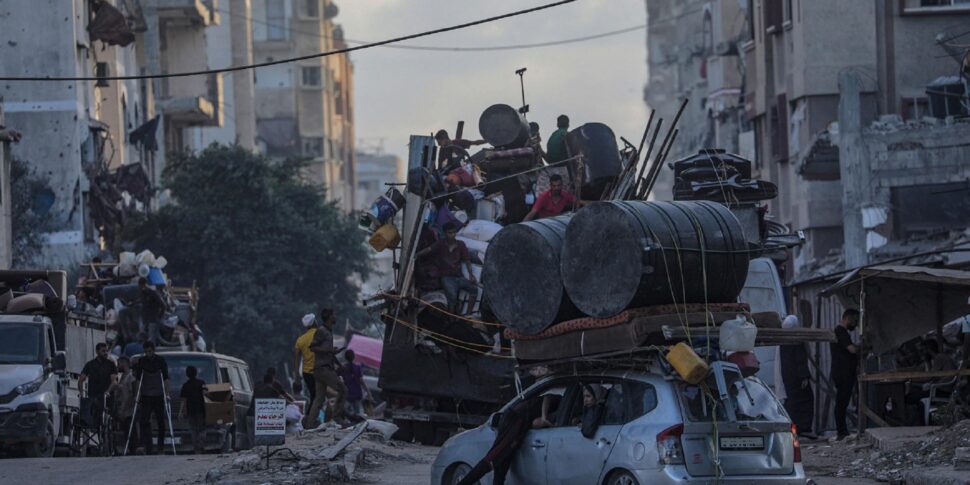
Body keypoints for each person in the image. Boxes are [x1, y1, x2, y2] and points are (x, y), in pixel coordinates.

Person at [458, 398, 541, 485]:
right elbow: (547, 399)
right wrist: (544, 416)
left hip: (518, 424)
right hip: (515, 422)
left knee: (500, 466)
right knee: (492, 461)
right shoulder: (548, 398)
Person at [416, 222, 479, 314]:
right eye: (450, 233)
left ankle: (468, 315)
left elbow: (467, 260)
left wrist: (471, 274)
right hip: (446, 277)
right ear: (445, 233)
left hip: (459, 277)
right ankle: (451, 319)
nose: (452, 235)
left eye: (454, 232)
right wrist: (416, 255)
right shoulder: (440, 244)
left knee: (474, 290)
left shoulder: (461, 244)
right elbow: (429, 249)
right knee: (452, 297)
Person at [305, 309, 348, 429]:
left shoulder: (328, 331)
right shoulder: (322, 331)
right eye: (334, 314)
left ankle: (309, 425)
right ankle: (337, 416)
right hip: (323, 369)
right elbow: (312, 348)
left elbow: (329, 353)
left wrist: (339, 364)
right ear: (329, 317)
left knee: (319, 399)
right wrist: (330, 351)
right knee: (343, 389)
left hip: (320, 369)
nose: (336, 316)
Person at [779, 315, 816, 439]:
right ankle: (803, 428)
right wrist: (804, 376)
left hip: (787, 377)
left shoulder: (783, 341)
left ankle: (793, 428)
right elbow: (800, 359)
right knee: (805, 401)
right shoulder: (796, 340)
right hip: (798, 378)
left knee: (791, 402)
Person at [134, 340, 170, 454]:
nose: (148, 354)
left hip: (159, 395)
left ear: (153, 350)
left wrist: (167, 393)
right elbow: (138, 379)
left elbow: (166, 378)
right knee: (144, 421)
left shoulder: (160, 361)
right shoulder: (142, 361)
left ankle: (160, 447)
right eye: (146, 351)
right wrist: (137, 395)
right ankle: (146, 445)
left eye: (149, 351)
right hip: (146, 395)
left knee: (160, 422)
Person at [830, 309, 860, 440]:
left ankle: (842, 431)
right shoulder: (840, 331)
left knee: (843, 401)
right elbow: (851, 349)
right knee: (842, 402)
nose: (855, 323)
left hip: (845, 372)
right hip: (843, 373)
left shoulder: (842, 332)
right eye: (854, 320)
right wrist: (862, 347)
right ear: (847, 318)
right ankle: (841, 431)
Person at [79, 342, 118, 430]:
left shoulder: (111, 365)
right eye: (103, 351)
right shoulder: (90, 364)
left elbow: (114, 381)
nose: (105, 353)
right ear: (97, 352)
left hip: (106, 398)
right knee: (89, 412)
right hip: (93, 396)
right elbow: (81, 379)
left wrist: (108, 391)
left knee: (105, 418)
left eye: (107, 351)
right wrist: (81, 392)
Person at [248, 373, 284, 447]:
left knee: (252, 441)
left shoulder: (257, 389)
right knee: (261, 440)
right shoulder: (272, 390)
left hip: (250, 415)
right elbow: (281, 401)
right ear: (273, 381)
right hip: (261, 419)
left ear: (263, 381)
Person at [179, 366, 208, 454]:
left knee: (193, 429)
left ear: (187, 374)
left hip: (191, 410)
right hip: (201, 410)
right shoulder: (201, 383)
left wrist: (181, 412)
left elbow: (183, 400)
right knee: (202, 429)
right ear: (196, 373)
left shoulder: (185, 385)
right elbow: (205, 394)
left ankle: (196, 447)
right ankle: (201, 445)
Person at [294, 313, 318, 406]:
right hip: (320, 371)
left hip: (307, 373)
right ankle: (310, 417)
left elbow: (296, 357)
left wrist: (297, 375)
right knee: (318, 396)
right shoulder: (322, 334)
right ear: (314, 322)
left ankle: (310, 417)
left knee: (314, 395)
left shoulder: (300, 339)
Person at [111, 356, 136, 441]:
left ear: (124, 363)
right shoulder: (122, 376)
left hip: (128, 410)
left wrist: (123, 409)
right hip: (123, 408)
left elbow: (129, 394)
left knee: (130, 430)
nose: (117, 366)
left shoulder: (130, 376)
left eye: (119, 364)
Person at [138, 277, 167, 345]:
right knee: (143, 336)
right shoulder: (142, 293)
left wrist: (160, 316)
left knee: (151, 338)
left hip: (153, 319)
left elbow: (163, 305)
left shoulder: (152, 292)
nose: (141, 287)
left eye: (142, 285)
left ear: (145, 284)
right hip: (145, 319)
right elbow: (142, 302)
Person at [338, 350, 366, 418]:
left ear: (345, 357)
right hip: (357, 394)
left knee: (347, 415)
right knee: (357, 414)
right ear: (354, 357)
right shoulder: (358, 367)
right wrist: (369, 393)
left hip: (347, 395)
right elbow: (361, 381)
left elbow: (336, 377)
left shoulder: (342, 368)